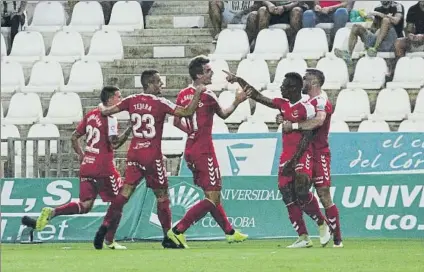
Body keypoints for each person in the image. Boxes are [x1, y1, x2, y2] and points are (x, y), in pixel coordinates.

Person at [94, 70, 205, 250]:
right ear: (151, 83)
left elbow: (106, 111)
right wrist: (198, 93)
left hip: (134, 154)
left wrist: (101, 108)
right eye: (159, 82)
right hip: (152, 157)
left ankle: (105, 225)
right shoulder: (160, 102)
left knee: (125, 193)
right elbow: (186, 112)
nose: (162, 85)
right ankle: (168, 236)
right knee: (162, 196)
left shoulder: (131, 100)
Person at [228, 71, 331, 248]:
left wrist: (295, 159)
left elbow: (308, 135)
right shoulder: (282, 104)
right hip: (286, 155)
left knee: (301, 190)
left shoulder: (307, 107)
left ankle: (322, 223)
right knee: (286, 194)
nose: (281, 88)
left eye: (284, 86)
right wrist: (238, 79)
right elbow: (257, 96)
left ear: (294, 88)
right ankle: (303, 237)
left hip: (303, 154)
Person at [22, 86, 131, 250]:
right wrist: (129, 129)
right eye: (118, 96)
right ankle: (109, 240)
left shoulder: (91, 115)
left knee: (85, 205)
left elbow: (74, 137)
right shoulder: (111, 119)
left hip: (87, 166)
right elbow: (114, 143)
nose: (121, 99)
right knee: (118, 203)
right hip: (104, 168)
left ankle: (53, 212)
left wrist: (82, 155)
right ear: (110, 99)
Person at [166, 56, 248, 248]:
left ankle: (230, 232)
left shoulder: (183, 94)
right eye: (208, 70)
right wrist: (237, 101)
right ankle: (178, 230)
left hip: (190, 149)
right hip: (204, 151)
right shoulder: (208, 95)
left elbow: (176, 121)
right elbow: (224, 114)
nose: (211, 73)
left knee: (211, 195)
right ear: (199, 75)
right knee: (212, 197)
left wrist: (192, 133)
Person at [280, 68, 343, 248]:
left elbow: (319, 121)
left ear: (314, 83)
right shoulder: (306, 102)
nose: (302, 81)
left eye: (306, 79)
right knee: (299, 191)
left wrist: (292, 125)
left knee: (324, 194)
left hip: (320, 152)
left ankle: (337, 239)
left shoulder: (321, 101)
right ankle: (316, 228)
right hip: (304, 151)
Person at [335, 1, 404, 64]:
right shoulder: (378, 8)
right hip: (378, 37)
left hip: (392, 41)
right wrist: (367, 33)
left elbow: (396, 21)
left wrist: (378, 14)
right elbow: (374, 28)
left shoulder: (397, 6)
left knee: (386, 20)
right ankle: (348, 55)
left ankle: (375, 49)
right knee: (356, 27)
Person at [245, 1, 310, 49]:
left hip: (290, 10)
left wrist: (285, 7)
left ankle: (292, 46)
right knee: (262, 11)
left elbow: (299, 2)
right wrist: (269, 4)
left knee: (297, 11)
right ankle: (261, 45)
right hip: (270, 10)